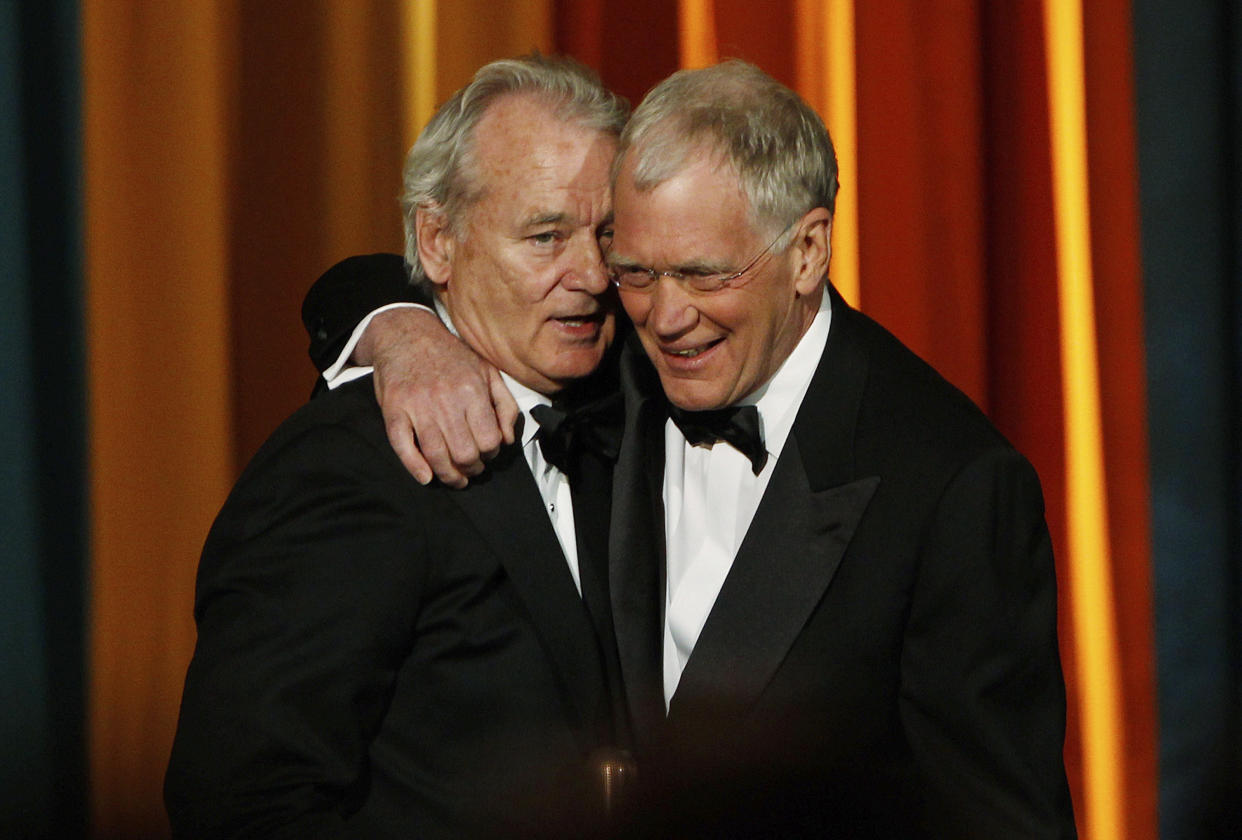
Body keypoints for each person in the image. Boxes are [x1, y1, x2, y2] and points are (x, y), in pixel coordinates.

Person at [305, 61, 1076, 837]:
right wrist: (401, 332)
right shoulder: (613, 367)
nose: (666, 317)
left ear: (808, 250)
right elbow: (391, 276)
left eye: (705, 276)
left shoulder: (951, 486)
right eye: (636, 271)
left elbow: (1005, 819)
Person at [165, 55, 632, 839]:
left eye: (607, 236)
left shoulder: (641, 386)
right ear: (437, 242)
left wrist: (388, 319)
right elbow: (241, 802)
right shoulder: (347, 468)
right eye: (546, 236)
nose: (589, 273)